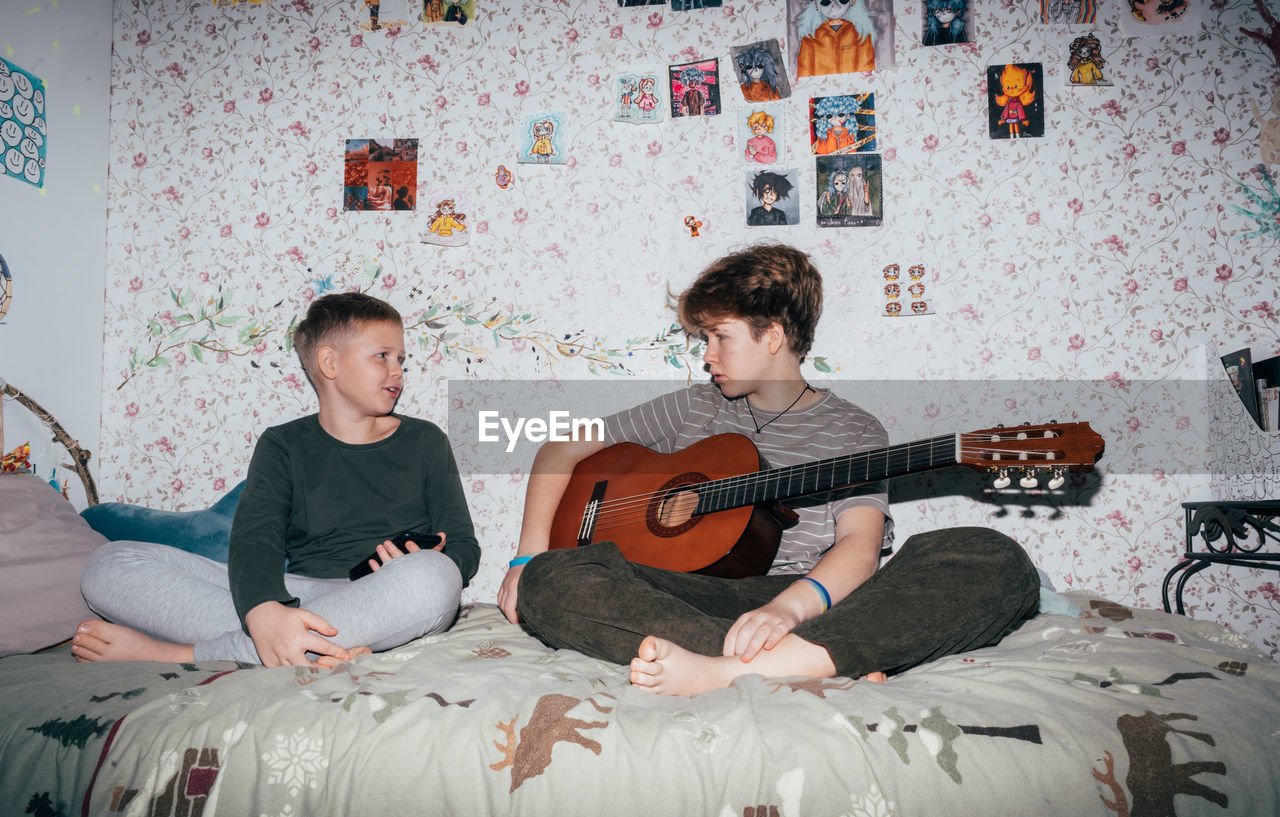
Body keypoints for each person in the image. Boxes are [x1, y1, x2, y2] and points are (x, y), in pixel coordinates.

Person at [497, 243, 1038, 695]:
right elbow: (560, 451)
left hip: (806, 599)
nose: (707, 355)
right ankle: (817, 662)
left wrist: (785, 610)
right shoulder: (693, 407)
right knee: (551, 579)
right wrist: (527, 556)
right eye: (704, 339)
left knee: (995, 558)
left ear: (772, 337)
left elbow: (859, 547)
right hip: (690, 596)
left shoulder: (855, 431)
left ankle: (732, 669)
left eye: (719, 337)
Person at [74, 292, 480, 667]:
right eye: (383, 356)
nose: (398, 372)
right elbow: (256, 537)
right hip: (296, 596)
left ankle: (184, 653)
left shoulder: (425, 441)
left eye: (401, 360)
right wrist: (263, 609)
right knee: (109, 563)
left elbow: (463, 546)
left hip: (383, 596)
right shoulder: (283, 444)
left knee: (435, 579)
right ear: (330, 363)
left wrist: (426, 559)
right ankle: (299, 641)